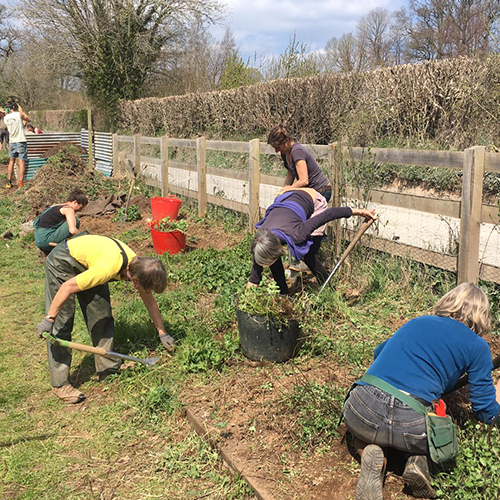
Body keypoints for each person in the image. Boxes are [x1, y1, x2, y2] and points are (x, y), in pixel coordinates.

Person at [343, 283, 500, 500]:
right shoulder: (477, 346)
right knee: (439, 434)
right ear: (482, 316)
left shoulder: (418, 321)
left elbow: (378, 352)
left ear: (448, 302)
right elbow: (484, 409)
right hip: (411, 422)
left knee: (362, 433)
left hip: (362, 406)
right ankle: (418, 461)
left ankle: (370, 455)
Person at [36, 234, 175, 404]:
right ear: (136, 281)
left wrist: (162, 333)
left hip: (91, 264)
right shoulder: (107, 268)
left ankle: (107, 368)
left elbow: (150, 301)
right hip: (63, 262)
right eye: (144, 287)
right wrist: (49, 319)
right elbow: (67, 287)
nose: (145, 291)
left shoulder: (138, 266)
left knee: (102, 315)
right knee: (62, 322)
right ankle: (59, 383)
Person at [247, 187, 376, 295]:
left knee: (310, 257)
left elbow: (328, 214)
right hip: (288, 200)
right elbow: (254, 276)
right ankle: (284, 294)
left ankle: (329, 291)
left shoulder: (298, 233)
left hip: (313, 200)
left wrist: (359, 212)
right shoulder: (262, 240)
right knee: (272, 261)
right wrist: (247, 301)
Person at [268, 125, 332, 202]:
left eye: (278, 147)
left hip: (321, 190)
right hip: (309, 191)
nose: (276, 151)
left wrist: (289, 189)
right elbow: (290, 174)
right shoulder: (284, 153)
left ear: (287, 141)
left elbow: (304, 180)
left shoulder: (297, 152)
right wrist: (283, 192)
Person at [34, 189, 89, 255]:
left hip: (38, 239)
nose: (80, 210)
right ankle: (67, 248)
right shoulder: (69, 210)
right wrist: (87, 237)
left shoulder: (57, 206)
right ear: (75, 202)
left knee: (68, 221)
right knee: (75, 221)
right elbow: (73, 230)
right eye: (80, 208)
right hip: (45, 240)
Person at [3, 101, 30, 189]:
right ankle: (20, 184)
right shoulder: (18, 114)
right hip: (21, 141)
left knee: (11, 161)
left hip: (12, 141)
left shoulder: (6, 118)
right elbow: (27, 119)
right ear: (13, 108)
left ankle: (9, 182)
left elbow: (20, 125)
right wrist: (20, 108)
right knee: (21, 162)